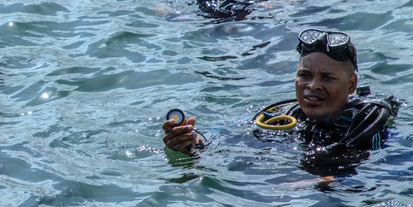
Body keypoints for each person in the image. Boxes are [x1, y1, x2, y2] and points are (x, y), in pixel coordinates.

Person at [163, 29, 400, 158]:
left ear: (351, 85)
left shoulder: (368, 124)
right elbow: (226, 136)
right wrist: (192, 143)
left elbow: (394, 173)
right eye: (305, 75)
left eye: (327, 78)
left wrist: (329, 181)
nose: (313, 86)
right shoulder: (281, 116)